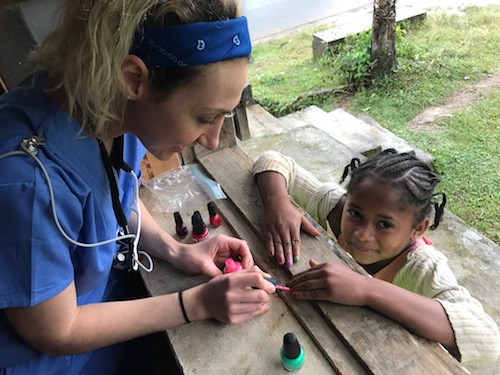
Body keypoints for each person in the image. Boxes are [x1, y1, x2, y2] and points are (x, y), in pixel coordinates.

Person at [0, 1, 276, 373]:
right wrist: (194, 304)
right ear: (133, 78)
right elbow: (56, 330)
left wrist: (176, 251)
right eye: (205, 118)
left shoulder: (109, 110)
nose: (211, 141)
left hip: (107, 307)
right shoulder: (27, 182)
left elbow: (116, 194)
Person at [252, 149, 500, 364]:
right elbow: (272, 160)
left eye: (384, 224)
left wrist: (366, 290)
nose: (362, 234)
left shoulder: (423, 265)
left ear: (418, 229)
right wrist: (279, 203)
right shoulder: (334, 208)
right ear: (347, 200)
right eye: (356, 213)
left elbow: (488, 339)